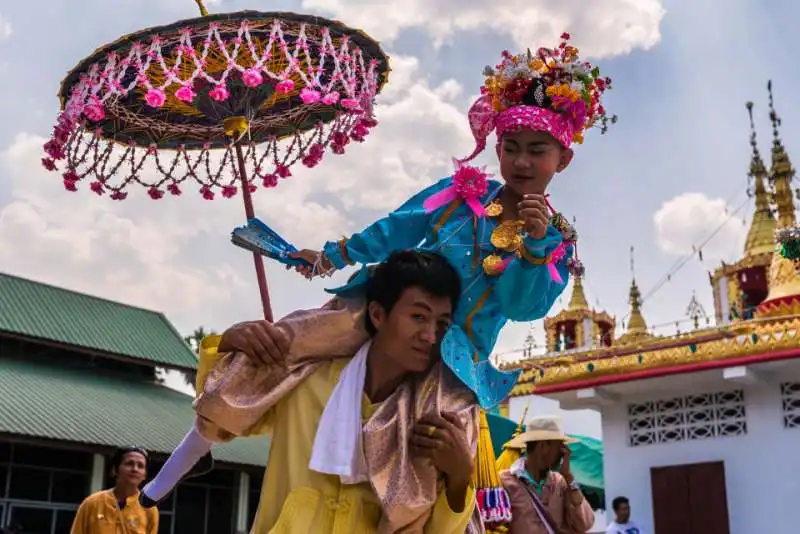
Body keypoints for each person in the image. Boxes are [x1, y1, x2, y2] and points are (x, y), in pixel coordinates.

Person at [142, 31, 615, 529]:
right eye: (511, 147)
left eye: (537, 151)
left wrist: (536, 248)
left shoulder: (559, 243)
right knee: (287, 340)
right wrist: (329, 257)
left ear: (563, 158)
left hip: (458, 355)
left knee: (436, 445)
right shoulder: (462, 193)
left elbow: (523, 306)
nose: (521, 162)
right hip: (391, 304)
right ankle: (186, 457)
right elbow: (396, 228)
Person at [499, 416, 595, 533]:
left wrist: (569, 478)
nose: (564, 453)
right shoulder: (504, 482)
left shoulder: (561, 482)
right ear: (544, 446)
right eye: (559, 446)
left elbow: (585, 524)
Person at [71, 446, 158, 534]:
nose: (135, 469)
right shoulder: (92, 503)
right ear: (115, 470)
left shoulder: (149, 509)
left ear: (144, 475)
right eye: (129, 463)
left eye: (140, 466)